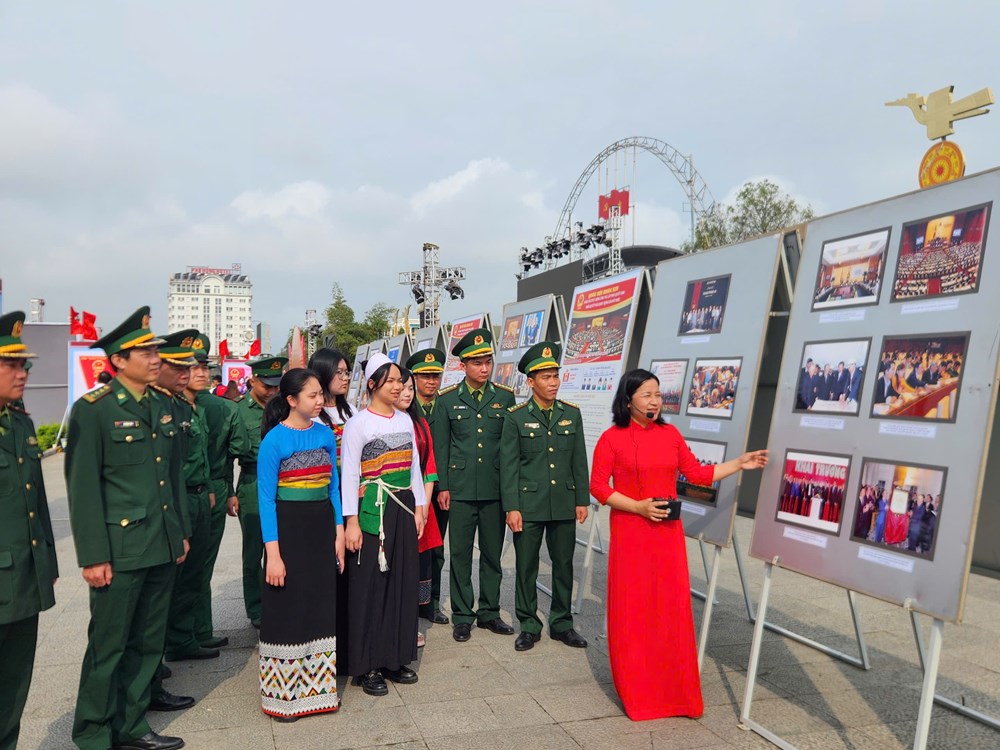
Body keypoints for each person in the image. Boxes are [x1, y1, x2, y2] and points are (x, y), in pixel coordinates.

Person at [590, 368, 767, 721]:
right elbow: (598, 486)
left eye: (657, 394)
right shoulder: (611, 438)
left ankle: (677, 694)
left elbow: (698, 475)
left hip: (667, 538)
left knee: (670, 611)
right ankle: (639, 693)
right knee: (634, 611)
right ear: (628, 401)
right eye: (646, 395)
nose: (654, 401)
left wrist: (740, 463)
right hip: (631, 534)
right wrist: (638, 506)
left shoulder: (670, 435)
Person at [66, 306, 189, 750]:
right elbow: (82, 488)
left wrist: (179, 533)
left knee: (147, 644)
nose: (156, 356)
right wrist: (93, 555)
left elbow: (170, 476)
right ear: (118, 360)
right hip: (119, 549)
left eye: (156, 349)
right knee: (109, 646)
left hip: (160, 542)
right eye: (146, 350)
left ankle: (133, 725)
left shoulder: (162, 404)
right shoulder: (93, 410)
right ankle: (94, 733)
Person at [257, 368, 344, 721]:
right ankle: (283, 697)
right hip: (288, 531)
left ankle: (319, 691)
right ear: (291, 400)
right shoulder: (273, 442)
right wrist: (273, 555)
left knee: (319, 604)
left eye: (321, 394)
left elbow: (334, 487)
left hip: (321, 528)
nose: (320, 400)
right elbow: (265, 501)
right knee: (289, 609)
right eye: (312, 395)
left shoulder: (325, 436)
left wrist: (338, 532)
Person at [341, 353, 427, 696]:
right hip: (371, 508)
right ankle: (368, 665)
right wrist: (351, 522)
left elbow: (415, 466)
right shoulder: (358, 424)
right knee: (371, 586)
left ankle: (395, 656)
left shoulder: (405, 420)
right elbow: (349, 473)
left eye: (400, 381)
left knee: (402, 583)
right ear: (373, 384)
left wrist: (420, 506)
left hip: (403, 506)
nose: (397, 387)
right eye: (390, 381)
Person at [499, 342, 589, 652]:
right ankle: (528, 624)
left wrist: (582, 498)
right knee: (526, 565)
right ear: (531, 381)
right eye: (545, 377)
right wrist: (512, 507)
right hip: (529, 504)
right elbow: (508, 467)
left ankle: (562, 623)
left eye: (555, 376)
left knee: (564, 564)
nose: (552, 383)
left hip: (563, 502)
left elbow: (579, 460)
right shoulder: (516, 417)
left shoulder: (571, 414)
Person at [0, 312, 58, 750]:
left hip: (21, 580)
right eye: (13, 365)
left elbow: (36, 502)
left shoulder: (18, 422)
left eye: (25, 365)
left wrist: (47, 564)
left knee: (13, 691)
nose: (24, 373)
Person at [436, 328, 517, 642]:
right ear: (463, 366)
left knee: (492, 554)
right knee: (459, 553)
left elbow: (509, 448)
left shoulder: (505, 397)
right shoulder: (447, 401)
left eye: (487, 362)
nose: (484, 368)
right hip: (459, 489)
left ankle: (490, 612)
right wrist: (443, 486)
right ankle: (462, 615)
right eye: (477, 363)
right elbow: (442, 447)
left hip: (495, 488)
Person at [190, 335, 247, 651]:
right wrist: (227, 489)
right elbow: (235, 451)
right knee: (199, 566)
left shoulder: (195, 406)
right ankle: (195, 631)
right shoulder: (223, 408)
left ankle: (190, 633)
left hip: (203, 491)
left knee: (192, 567)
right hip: (207, 489)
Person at [230, 356, 288, 628]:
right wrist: (230, 492)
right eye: (267, 385)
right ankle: (256, 608)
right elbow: (226, 453)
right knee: (254, 549)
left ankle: (279, 600)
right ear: (252, 381)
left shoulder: (287, 406)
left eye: (277, 385)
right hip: (253, 483)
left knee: (282, 546)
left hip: (285, 482)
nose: (273, 391)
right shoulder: (239, 411)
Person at [307, 347, 355, 668]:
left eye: (347, 371)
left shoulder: (353, 412)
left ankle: (348, 640)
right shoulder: (312, 416)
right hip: (323, 502)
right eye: (339, 372)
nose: (345, 377)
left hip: (351, 501)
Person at [394, 367, 443, 648]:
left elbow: (429, 468)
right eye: (402, 388)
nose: (407, 393)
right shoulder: (381, 422)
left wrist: (423, 507)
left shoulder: (420, 424)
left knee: (418, 563)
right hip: (392, 501)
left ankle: (411, 621)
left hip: (420, 503)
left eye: (410, 389)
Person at [406, 347, 451, 625]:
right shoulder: (405, 408)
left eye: (435, 376)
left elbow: (448, 450)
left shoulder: (447, 405)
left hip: (438, 491)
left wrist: (444, 486)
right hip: (408, 491)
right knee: (409, 549)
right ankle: (407, 600)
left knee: (435, 549)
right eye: (424, 376)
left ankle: (430, 602)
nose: (431, 382)